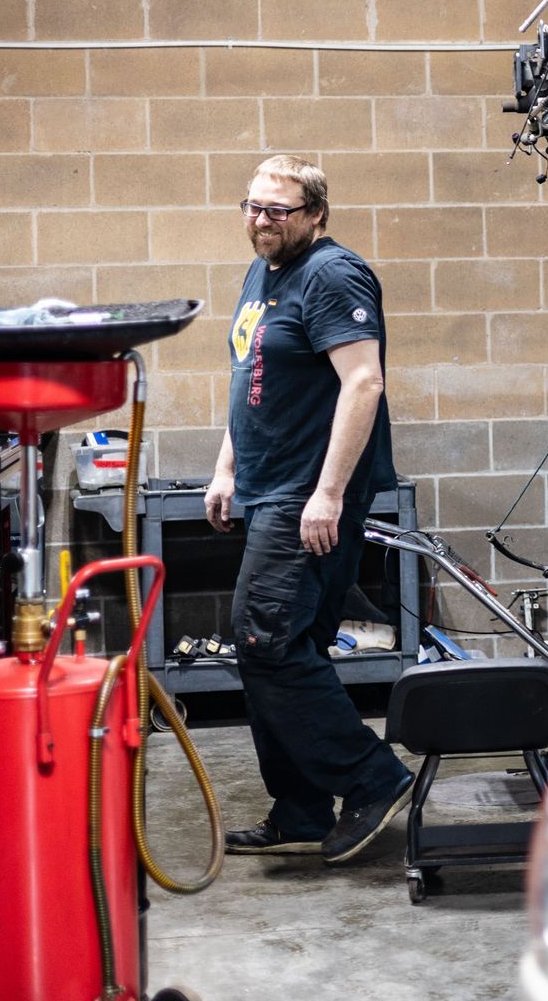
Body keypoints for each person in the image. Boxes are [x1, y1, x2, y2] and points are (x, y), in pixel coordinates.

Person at [205, 154, 413, 864]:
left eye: (278, 210)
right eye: (253, 207)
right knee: (289, 645)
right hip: (267, 486)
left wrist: (326, 493)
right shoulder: (263, 272)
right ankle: (298, 809)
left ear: (316, 213)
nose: (262, 221)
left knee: (265, 641)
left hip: (307, 491)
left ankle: (371, 778)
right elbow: (249, 373)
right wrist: (227, 467)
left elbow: (363, 383)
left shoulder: (332, 273)